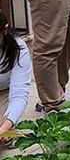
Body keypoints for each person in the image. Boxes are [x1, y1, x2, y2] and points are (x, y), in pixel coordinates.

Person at [0, 8, 31, 138]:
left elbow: (19, 93)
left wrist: (3, 130)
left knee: (6, 131)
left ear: (5, 30)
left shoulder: (18, 49)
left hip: (4, 92)